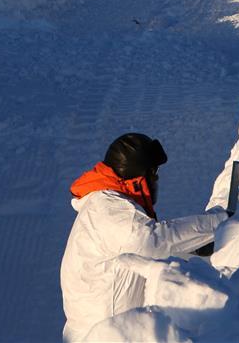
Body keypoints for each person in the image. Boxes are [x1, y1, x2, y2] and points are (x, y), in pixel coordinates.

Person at [60, 133, 230, 342]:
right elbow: (151, 241)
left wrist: (193, 248)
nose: (157, 180)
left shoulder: (104, 204)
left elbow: (145, 246)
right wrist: (220, 222)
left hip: (103, 330)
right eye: (154, 173)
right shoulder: (108, 208)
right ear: (139, 178)